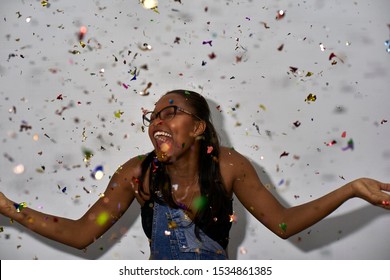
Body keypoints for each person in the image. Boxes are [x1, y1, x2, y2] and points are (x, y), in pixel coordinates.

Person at [0, 89, 389, 260]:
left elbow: (285, 224)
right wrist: (8, 207)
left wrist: (351, 189)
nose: (158, 122)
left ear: (199, 126)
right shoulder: (137, 173)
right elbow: (81, 233)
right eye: (153, 117)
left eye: (170, 113)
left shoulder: (229, 165)